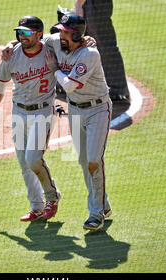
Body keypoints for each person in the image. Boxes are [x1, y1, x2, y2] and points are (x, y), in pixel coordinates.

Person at [0, 16, 61, 222]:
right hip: (19, 112)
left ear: (38, 34)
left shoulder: (51, 49)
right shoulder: (12, 55)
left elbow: (71, 38)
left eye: (26, 32)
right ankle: (36, 207)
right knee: (23, 163)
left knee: (33, 159)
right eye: (19, 33)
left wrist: (90, 41)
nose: (21, 36)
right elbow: (0, 85)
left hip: (43, 112)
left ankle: (52, 196)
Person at [44, 13, 112, 231]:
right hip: (75, 110)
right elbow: (36, 39)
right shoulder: (57, 42)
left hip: (98, 110)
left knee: (94, 159)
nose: (59, 35)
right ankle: (104, 204)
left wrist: (54, 68)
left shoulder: (89, 54)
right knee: (84, 161)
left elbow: (70, 86)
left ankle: (96, 214)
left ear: (75, 34)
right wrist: (11, 43)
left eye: (64, 32)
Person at [69, 0, 130, 105]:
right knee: (86, 41)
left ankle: (119, 91)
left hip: (97, 4)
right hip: (89, 3)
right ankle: (87, 84)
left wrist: (78, 4)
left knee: (104, 44)